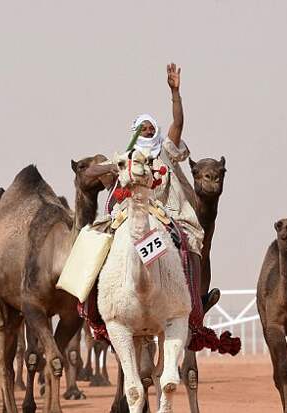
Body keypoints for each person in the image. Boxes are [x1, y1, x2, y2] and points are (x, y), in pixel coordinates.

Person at [88, 62, 207, 304]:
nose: (147, 129)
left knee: (188, 244)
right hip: (130, 212)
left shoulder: (166, 150)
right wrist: (114, 166)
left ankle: (192, 303)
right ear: (134, 132)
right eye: (142, 127)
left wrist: (175, 94)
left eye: (151, 126)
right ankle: (94, 308)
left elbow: (178, 124)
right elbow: (90, 171)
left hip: (167, 213)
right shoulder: (125, 157)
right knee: (96, 244)